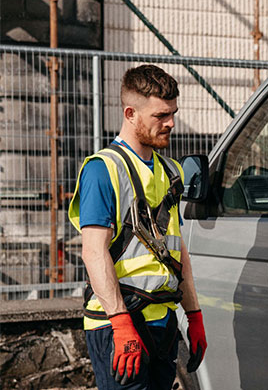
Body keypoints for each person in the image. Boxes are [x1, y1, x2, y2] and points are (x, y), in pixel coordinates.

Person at [68, 65, 207, 389]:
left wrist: (194, 314)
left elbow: (177, 251)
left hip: (163, 322)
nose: (171, 123)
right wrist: (120, 322)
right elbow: (93, 252)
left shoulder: (170, 171)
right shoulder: (103, 169)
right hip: (119, 324)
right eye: (161, 115)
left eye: (173, 113)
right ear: (130, 113)